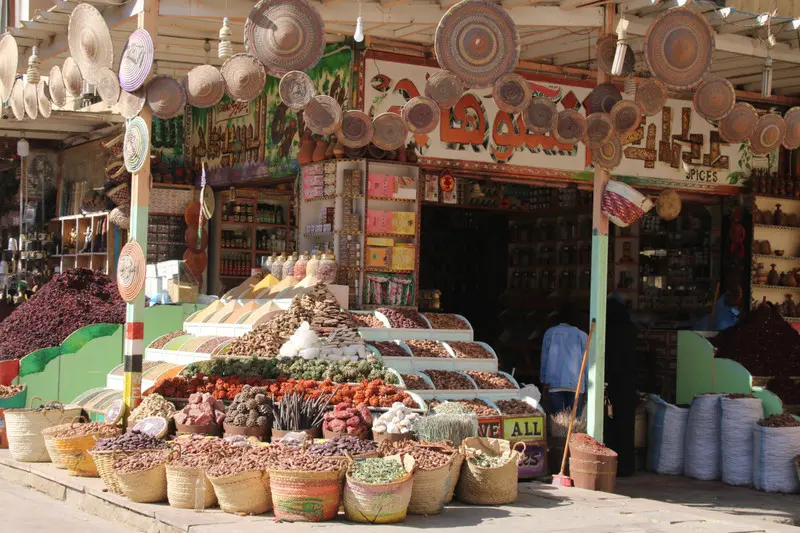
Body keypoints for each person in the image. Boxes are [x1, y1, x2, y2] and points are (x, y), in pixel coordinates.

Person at [604, 294, 639, 477]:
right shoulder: (631, 329)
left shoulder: (608, 329)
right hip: (629, 381)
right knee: (627, 424)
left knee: (613, 424)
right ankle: (627, 465)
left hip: (614, 380)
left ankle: (613, 462)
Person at [540, 304, 589, 414]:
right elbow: (586, 363)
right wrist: (586, 385)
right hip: (576, 385)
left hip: (554, 384)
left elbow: (544, 360)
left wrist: (543, 381)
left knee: (558, 422)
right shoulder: (582, 336)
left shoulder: (550, 333)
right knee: (574, 423)